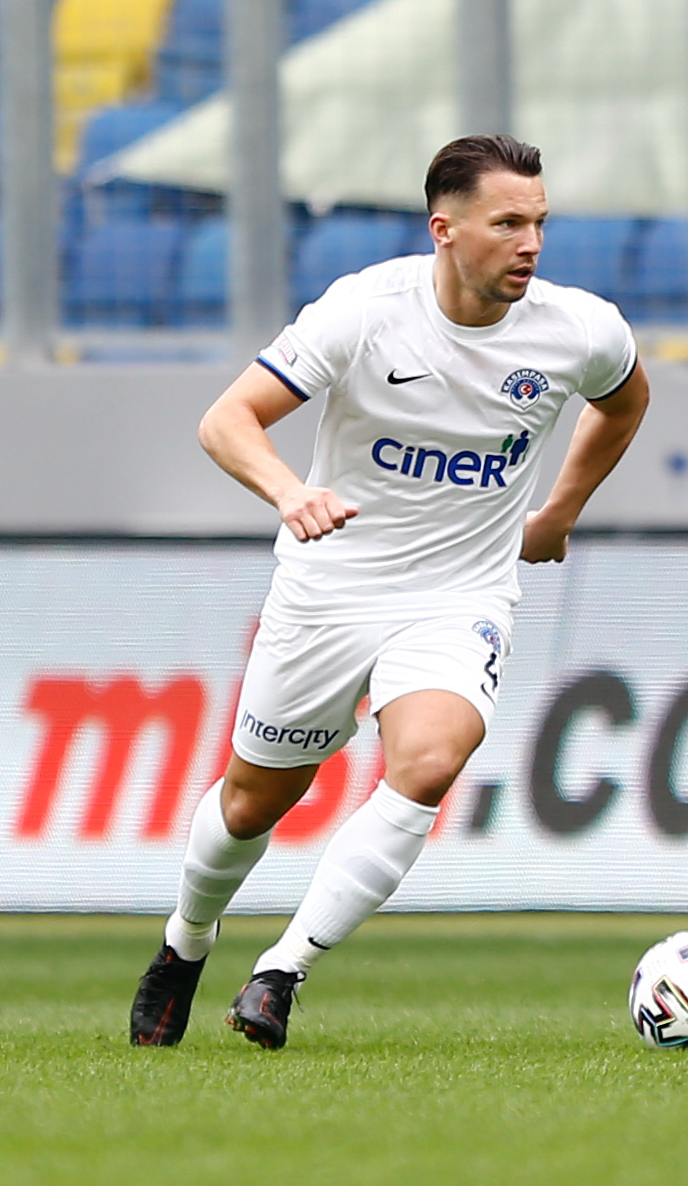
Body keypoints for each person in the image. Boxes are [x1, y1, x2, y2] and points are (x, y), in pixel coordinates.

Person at [129, 133, 650, 1050]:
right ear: (444, 230)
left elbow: (625, 400)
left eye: (538, 222)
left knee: (430, 762)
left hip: (460, 594)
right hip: (330, 590)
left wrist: (560, 510)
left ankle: (281, 972)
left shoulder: (579, 329)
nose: (530, 244)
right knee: (251, 804)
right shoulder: (365, 311)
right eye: (507, 223)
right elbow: (226, 419)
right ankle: (185, 942)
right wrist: (291, 493)